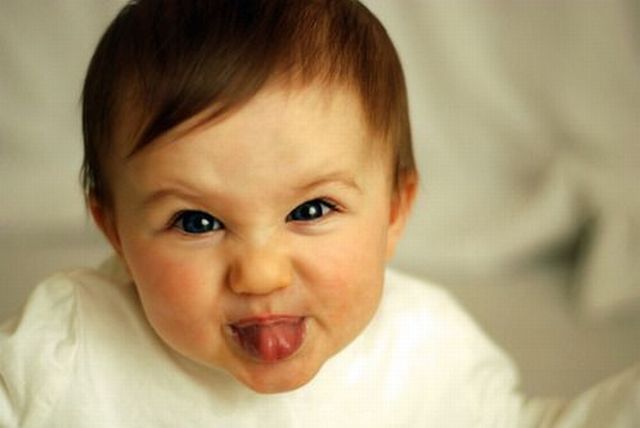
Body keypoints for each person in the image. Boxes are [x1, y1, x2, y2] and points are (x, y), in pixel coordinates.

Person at [1, 1, 637, 426]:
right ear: (114, 230)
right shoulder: (68, 348)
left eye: (310, 208)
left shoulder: (424, 349)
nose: (260, 273)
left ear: (394, 211)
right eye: (197, 222)